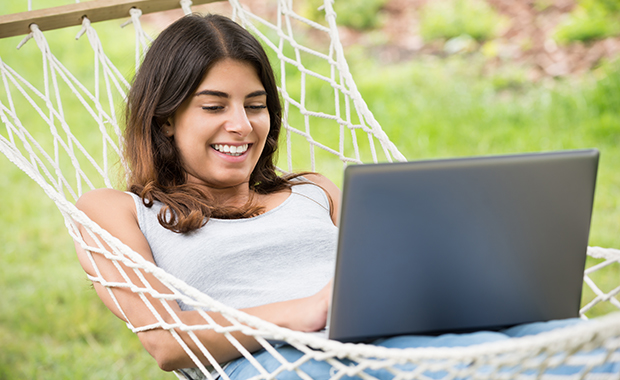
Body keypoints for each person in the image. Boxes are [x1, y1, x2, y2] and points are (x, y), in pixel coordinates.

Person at [74, 13, 616, 380]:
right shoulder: (117, 211)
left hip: (388, 338)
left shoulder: (312, 191)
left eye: (255, 105)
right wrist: (308, 312)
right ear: (166, 118)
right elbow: (167, 342)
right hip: (284, 363)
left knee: (569, 341)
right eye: (213, 106)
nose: (240, 125)